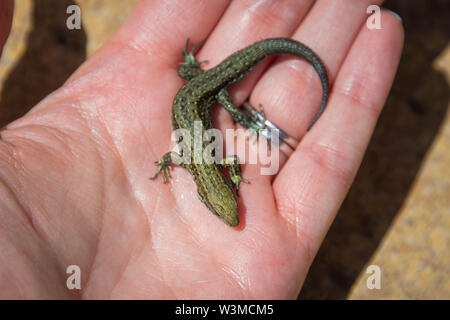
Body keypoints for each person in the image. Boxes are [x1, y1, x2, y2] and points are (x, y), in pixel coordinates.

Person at [0, 0, 403, 299]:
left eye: (228, 207)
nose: (234, 215)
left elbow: (192, 157)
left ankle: (214, 69)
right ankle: (203, 68)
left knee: (224, 98)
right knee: (220, 93)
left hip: (200, 92)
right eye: (230, 208)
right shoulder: (201, 168)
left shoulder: (206, 167)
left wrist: (221, 125)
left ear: (217, 197)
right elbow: (188, 157)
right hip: (196, 91)